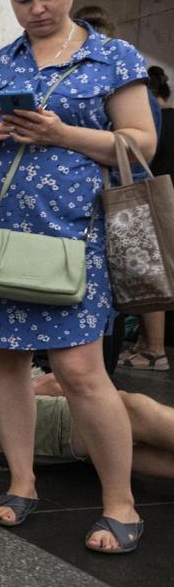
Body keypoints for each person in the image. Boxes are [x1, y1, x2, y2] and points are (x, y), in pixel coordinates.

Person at [0, 0, 157, 553]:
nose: (36, 9)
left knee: (80, 370)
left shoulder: (112, 56)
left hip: (73, 234)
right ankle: (21, 483)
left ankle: (119, 501)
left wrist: (62, 133)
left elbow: (140, 143)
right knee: (5, 363)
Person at [0, 272, 174, 478]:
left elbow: (100, 367)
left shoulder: (61, 282)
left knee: (126, 436)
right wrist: (33, 387)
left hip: (56, 389)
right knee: (133, 411)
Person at [118, 66, 174, 371]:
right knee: (146, 274)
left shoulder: (150, 119)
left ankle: (155, 350)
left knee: (147, 276)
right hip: (160, 200)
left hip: (150, 200)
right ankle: (145, 345)